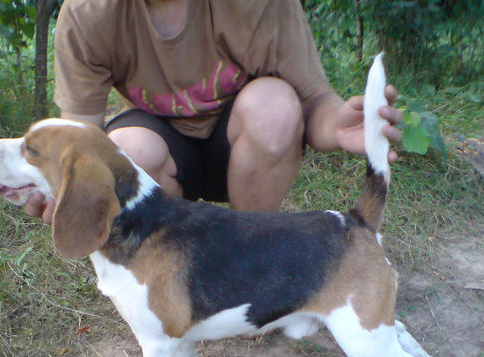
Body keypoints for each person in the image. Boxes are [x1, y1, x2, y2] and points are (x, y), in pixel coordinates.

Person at [25, 0, 403, 223]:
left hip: (243, 140)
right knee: (127, 150)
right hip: (160, 142)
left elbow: (313, 100)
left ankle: (251, 249)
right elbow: (80, 141)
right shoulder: (88, 13)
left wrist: (337, 126)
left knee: (275, 107)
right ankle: (167, 267)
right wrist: (60, 187)